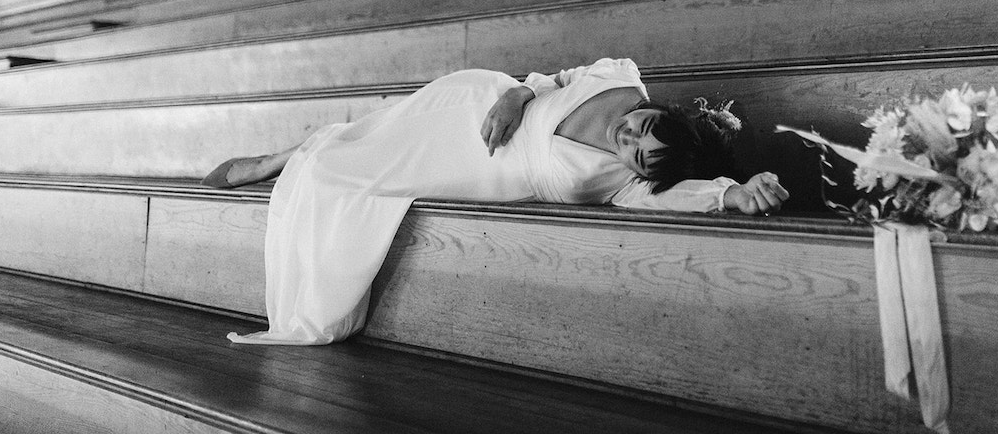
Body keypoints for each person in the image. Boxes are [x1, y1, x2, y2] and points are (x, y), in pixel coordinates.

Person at [203, 58, 788, 345]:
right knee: (380, 136)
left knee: (350, 173)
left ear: (641, 174)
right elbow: (554, 79)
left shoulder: (627, 185)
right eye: (640, 127)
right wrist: (516, 94)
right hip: (480, 104)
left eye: (636, 152)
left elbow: (674, 200)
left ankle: (298, 154)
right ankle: (292, 155)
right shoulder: (624, 78)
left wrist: (731, 195)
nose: (626, 138)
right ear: (656, 108)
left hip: (483, 168)